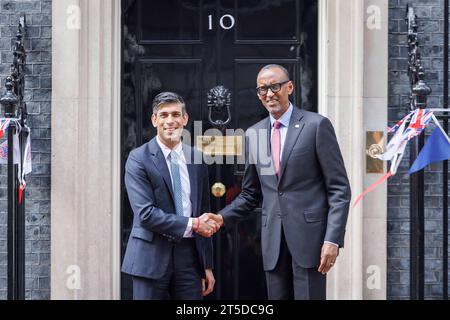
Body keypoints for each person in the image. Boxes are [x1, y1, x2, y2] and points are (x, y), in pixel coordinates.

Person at [205, 64, 351, 300]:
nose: (269, 94)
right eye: (263, 89)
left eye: (275, 86)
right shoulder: (253, 134)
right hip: (273, 241)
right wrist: (222, 217)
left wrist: (332, 239)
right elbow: (250, 194)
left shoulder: (316, 126)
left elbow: (339, 189)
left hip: (310, 241)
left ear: (289, 87)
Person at [122, 92, 219, 300]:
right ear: (154, 120)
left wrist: (206, 266)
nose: (170, 121)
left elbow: (203, 211)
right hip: (150, 256)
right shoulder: (138, 159)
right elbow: (146, 214)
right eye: (163, 115)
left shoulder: (197, 158)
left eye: (176, 114)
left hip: (189, 259)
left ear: (185, 119)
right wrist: (193, 224)